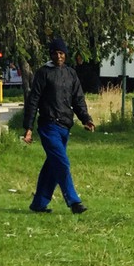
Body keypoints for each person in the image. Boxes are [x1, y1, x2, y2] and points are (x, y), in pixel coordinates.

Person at [23, 37, 95, 214]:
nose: (58, 56)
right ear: (51, 55)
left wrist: (86, 119)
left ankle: (39, 204)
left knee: (52, 165)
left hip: (64, 127)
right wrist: (29, 128)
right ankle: (74, 201)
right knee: (62, 163)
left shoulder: (71, 74)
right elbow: (33, 101)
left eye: (61, 53)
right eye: (55, 53)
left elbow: (78, 99)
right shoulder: (43, 73)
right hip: (48, 126)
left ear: (65, 54)